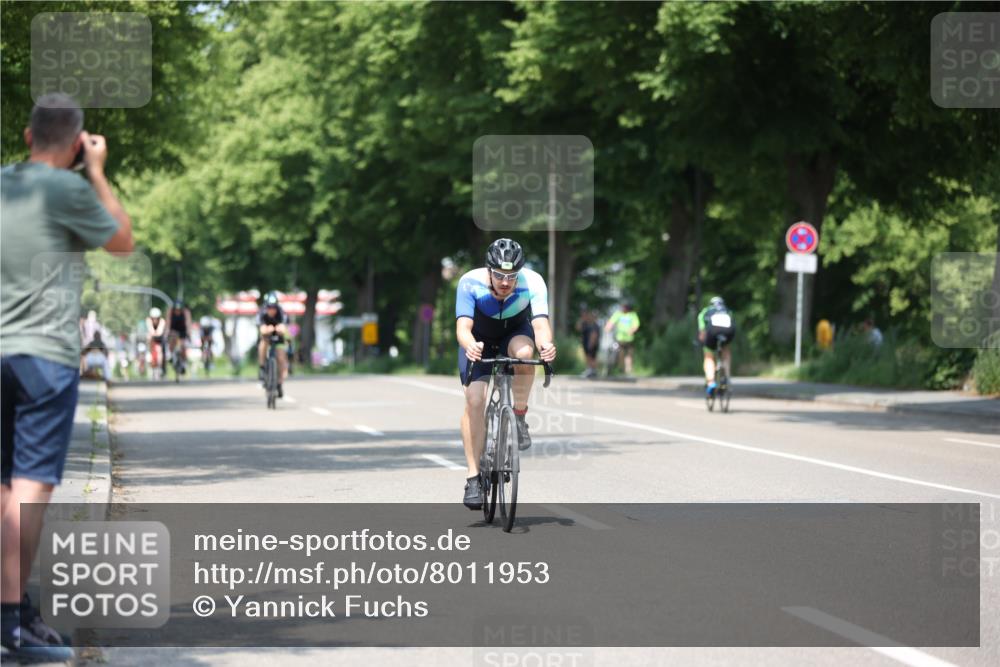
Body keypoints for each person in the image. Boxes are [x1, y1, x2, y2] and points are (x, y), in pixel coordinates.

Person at [1, 93, 132, 662]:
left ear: (29, 137)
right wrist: (98, 173)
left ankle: (16, 610)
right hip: (44, 358)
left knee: (4, 486)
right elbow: (122, 241)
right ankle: (11, 620)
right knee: (30, 487)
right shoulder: (71, 189)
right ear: (77, 143)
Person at [456, 239, 556, 510]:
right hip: (478, 340)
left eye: (511, 276)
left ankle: (520, 416)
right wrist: (470, 345)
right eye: (499, 275)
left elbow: (540, 324)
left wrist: (546, 345)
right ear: (489, 270)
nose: (505, 282)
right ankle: (473, 477)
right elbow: (463, 327)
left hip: (514, 333)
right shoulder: (469, 282)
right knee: (475, 401)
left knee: (525, 354)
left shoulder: (533, 282)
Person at [698, 296, 737, 396]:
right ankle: (727, 377)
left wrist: (702, 342)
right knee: (726, 351)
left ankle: (711, 382)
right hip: (728, 333)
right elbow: (732, 325)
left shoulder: (705, 312)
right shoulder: (727, 311)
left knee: (709, 356)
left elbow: (702, 333)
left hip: (712, 332)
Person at [257, 292, 289, 397]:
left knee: (280, 357)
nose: (272, 310)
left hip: (278, 335)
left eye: (274, 307)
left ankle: (279, 383)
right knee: (263, 343)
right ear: (266, 307)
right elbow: (261, 329)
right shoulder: (262, 313)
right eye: (269, 307)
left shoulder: (281, 312)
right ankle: (262, 367)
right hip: (267, 335)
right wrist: (267, 329)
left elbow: (283, 328)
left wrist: (279, 329)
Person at [604, 301, 640, 376]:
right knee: (620, 354)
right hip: (619, 338)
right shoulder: (618, 314)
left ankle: (628, 370)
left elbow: (636, 325)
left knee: (629, 355)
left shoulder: (632, 315)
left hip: (629, 339)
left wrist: (632, 330)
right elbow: (611, 322)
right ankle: (621, 369)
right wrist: (607, 327)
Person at [167, 300, 192, 373]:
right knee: (172, 339)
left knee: (183, 345)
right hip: (173, 329)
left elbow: (188, 323)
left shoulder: (186, 312)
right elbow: (168, 323)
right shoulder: (170, 312)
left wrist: (189, 333)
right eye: (176, 310)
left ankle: (183, 363)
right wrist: (167, 333)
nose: (177, 312)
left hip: (182, 330)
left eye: (179, 310)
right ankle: (171, 355)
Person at [576, 308, 600, 378]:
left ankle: (592, 370)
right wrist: (581, 319)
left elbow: (594, 335)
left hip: (591, 343)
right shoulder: (585, 324)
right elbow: (578, 328)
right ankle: (590, 370)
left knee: (591, 357)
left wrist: (591, 343)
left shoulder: (594, 325)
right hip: (586, 343)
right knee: (588, 357)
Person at [146, 307, 167, 378]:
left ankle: (161, 367)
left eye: (156, 318)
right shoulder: (148, 320)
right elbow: (151, 331)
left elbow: (159, 332)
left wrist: (154, 334)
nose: (155, 320)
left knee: (160, 351)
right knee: (149, 338)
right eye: (153, 318)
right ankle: (149, 354)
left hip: (160, 339)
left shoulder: (162, 321)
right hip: (152, 340)